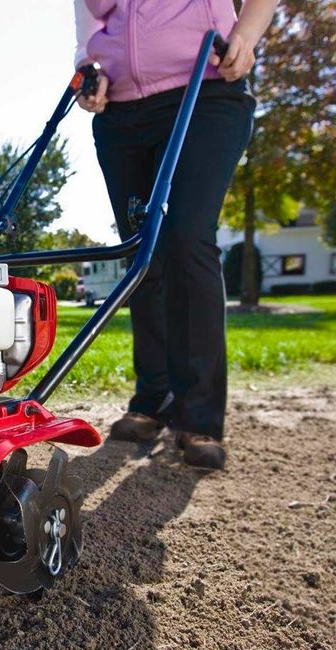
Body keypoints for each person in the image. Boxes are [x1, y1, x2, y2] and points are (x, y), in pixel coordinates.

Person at [74, 0, 277, 469]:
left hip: (205, 89)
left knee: (186, 236)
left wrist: (245, 34)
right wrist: (90, 67)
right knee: (143, 255)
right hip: (121, 111)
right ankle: (153, 399)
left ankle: (200, 415)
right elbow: (88, 21)